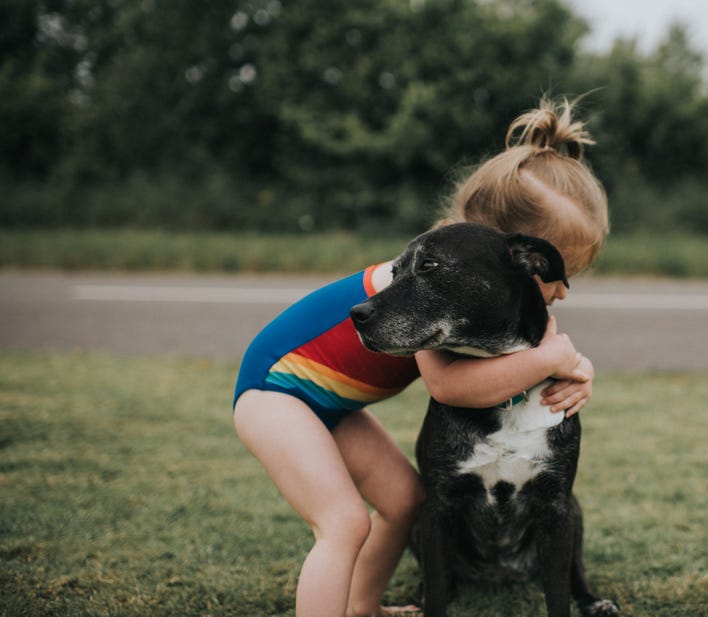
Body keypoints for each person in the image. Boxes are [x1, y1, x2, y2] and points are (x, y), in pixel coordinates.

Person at [232, 97, 609, 617]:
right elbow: (450, 387)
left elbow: (543, 356)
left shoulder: (472, 290)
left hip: (329, 404)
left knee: (406, 500)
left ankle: (363, 606)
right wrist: (556, 361)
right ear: (507, 251)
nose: (563, 291)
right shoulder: (419, 285)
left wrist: (576, 370)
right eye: (558, 273)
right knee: (343, 522)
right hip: (275, 392)